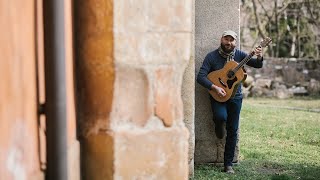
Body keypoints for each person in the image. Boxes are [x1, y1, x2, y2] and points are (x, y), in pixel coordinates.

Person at [197, 30, 264, 174]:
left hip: (236, 97)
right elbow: (201, 76)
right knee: (221, 117)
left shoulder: (239, 55)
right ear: (221, 39)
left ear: (235, 42)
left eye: (232, 40)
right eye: (226, 39)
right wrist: (214, 87)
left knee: (233, 130)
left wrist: (259, 56)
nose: (229, 43)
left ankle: (228, 164)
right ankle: (218, 125)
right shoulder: (212, 57)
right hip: (218, 96)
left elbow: (257, 65)